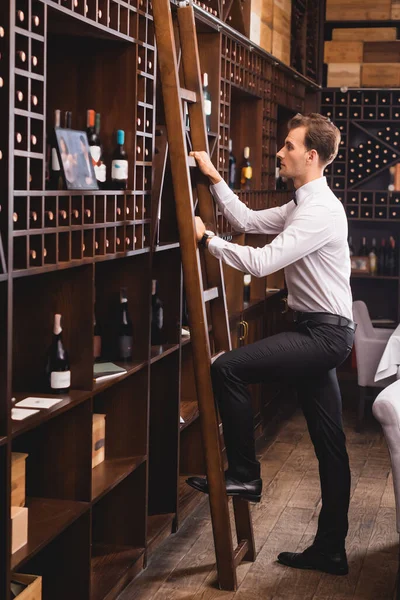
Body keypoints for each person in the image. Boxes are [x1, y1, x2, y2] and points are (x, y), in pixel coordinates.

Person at [186, 113, 355, 577]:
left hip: (322, 335)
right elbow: (247, 220)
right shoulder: (303, 202)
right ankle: (331, 550)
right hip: (319, 331)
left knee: (228, 368)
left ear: (312, 156)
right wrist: (216, 179)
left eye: (287, 145)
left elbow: (260, 264)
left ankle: (244, 475)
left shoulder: (319, 210)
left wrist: (208, 241)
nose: (279, 152)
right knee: (331, 445)